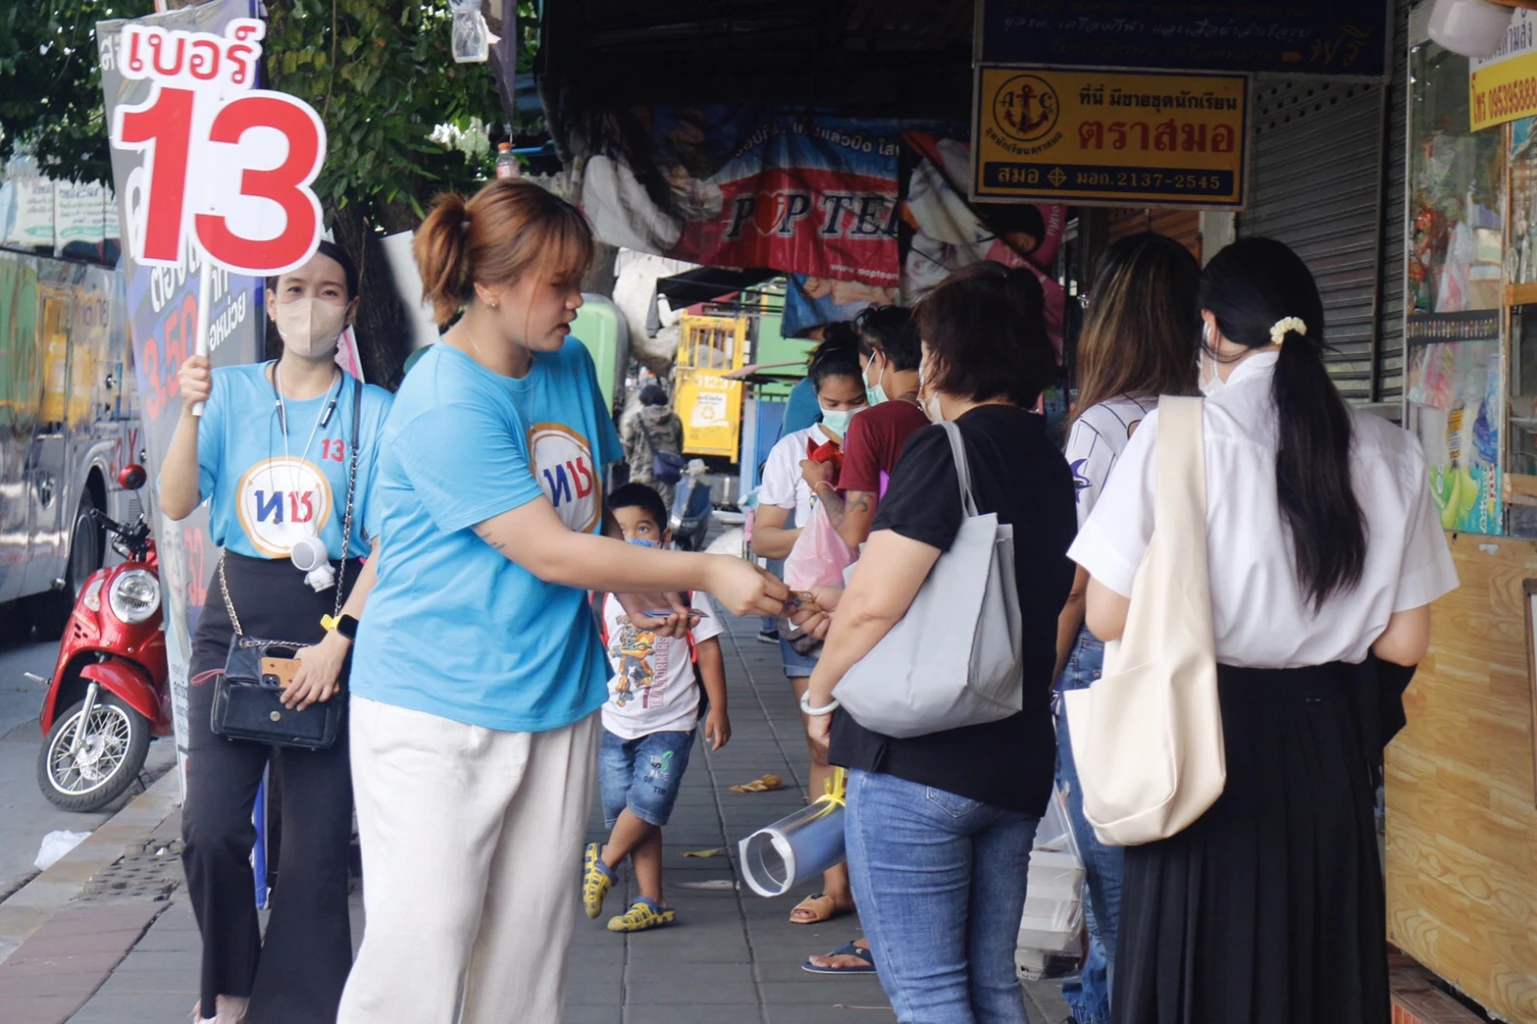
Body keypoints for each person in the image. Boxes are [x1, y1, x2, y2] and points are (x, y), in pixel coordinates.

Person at [335, 179, 783, 1024]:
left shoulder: (570, 363)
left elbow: (588, 513)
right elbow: (543, 548)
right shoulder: (445, 398)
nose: (576, 303)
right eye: (559, 284)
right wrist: (706, 573)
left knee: (525, 956)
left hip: (555, 696)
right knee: (422, 947)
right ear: (488, 283)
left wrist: (633, 589)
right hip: (433, 707)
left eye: (579, 281)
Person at [1070, 238, 1458, 1024]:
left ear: (1209, 329)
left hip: (1192, 737)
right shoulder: (1390, 449)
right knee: (1314, 968)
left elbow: (1105, 615)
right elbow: (1403, 645)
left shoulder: (1174, 436)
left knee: (1195, 968)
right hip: (1326, 749)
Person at [798, 261, 1076, 1022]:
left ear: (945, 358)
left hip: (920, 759)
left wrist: (820, 696)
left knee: (926, 992)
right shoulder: (1051, 460)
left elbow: (872, 604)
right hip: (1013, 762)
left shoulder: (945, 449)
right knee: (990, 986)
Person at [159, 241, 394, 1024]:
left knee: (317, 856)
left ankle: (295, 1011)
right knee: (212, 831)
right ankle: (228, 993)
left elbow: (391, 539)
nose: (310, 305)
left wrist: (341, 641)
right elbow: (176, 500)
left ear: (351, 310)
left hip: (330, 629)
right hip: (233, 621)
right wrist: (188, 411)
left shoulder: (375, 410)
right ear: (269, 303)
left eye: (329, 292)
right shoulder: (221, 390)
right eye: (293, 290)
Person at [1051, 233, 1201, 1023]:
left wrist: (1040, 680)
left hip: (1108, 667)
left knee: (1114, 889)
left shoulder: (1104, 426)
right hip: (1197, 661)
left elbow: (1079, 585)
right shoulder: (1210, 417)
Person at [799, 303, 928, 976]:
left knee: (872, 774)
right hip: (938, 611)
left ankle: (877, 936)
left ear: (876, 359)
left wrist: (822, 489)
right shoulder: (948, 415)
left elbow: (854, 532)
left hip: (880, 607)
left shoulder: (878, 423)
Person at [753, 330, 868, 926]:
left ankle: (871, 881)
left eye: (855, 402)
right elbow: (762, 537)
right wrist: (825, 526)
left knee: (872, 747)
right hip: (804, 615)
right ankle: (833, 882)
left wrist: (839, 512)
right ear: (816, 397)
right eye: (834, 402)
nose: (844, 413)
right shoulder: (791, 452)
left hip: (872, 613)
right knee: (823, 745)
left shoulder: (885, 447)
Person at [583, 483, 731, 934]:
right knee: (636, 813)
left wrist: (719, 709)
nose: (631, 539)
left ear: (663, 535)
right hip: (617, 722)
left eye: (642, 528)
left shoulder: (682, 588)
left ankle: (605, 861)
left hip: (672, 721)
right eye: (621, 531)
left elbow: (707, 649)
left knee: (649, 801)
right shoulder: (604, 593)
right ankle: (652, 900)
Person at [621, 383, 685, 509]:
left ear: (644, 400)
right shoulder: (675, 419)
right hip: (667, 473)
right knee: (663, 512)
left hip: (642, 472)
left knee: (639, 511)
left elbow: (628, 444)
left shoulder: (636, 419)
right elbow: (680, 446)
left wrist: (631, 460)